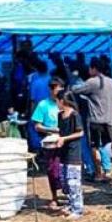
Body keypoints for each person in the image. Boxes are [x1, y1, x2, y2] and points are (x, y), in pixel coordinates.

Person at [72, 58, 112, 182]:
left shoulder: (92, 82)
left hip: (95, 120)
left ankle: (98, 173)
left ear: (94, 69)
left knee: (95, 147)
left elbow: (75, 90)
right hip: (110, 119)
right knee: (110, 145)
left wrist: (74, 80)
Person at [32, 78, 66, 206]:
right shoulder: (43, 105)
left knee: (66, 168)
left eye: (61, 90)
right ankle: (54, 196)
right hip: (50, 140)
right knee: (52, 169)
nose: (59, 93)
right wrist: (52, 129)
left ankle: (68, 194)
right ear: (51, 90)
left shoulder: (65, 103)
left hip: (66, 139)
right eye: (57, 90)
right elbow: (37, 125)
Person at [56, 91, 85, 219]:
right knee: (64, 180)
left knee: (73, 181)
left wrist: (65, 138)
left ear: (63, 101)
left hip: (73, 152)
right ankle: (70, 203)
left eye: (57, 100)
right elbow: (60, 131)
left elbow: (80, 133)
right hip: (63, 151)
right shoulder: (60, 115)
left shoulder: (75, 115)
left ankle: (77, 209)